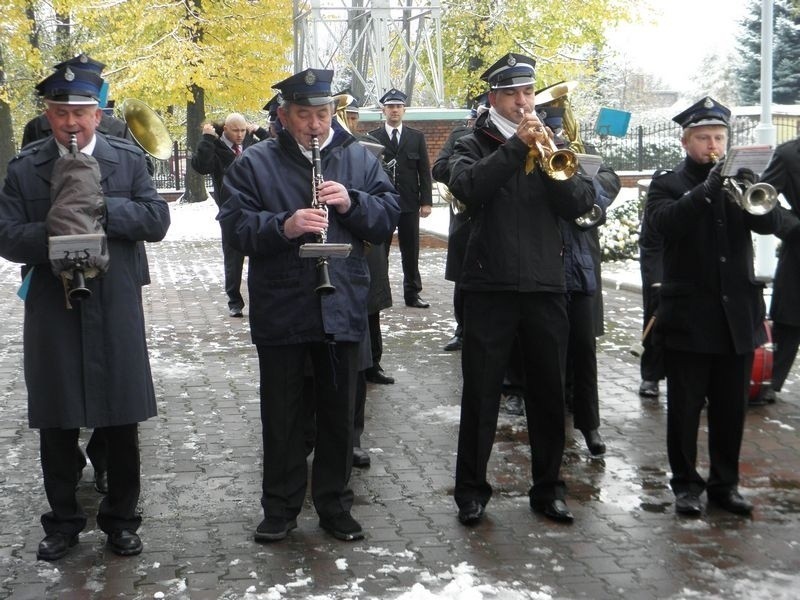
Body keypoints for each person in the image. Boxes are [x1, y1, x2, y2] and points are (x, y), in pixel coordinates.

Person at [217, 68, 400, 542]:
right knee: (282, 414)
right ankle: (280, 507)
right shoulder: (254, 163)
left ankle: (336, 505)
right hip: (283, 305)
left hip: (341, 302)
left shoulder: (357, 158)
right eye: (305, 115)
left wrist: (352, 203)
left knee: (340, 412)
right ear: (284, 116)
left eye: (323, 114)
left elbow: (386, 218)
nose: (316, 125)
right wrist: (285, 225)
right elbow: (235, 227)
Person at [0, 65, 170, 560]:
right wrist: (53, 232)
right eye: (60, 113)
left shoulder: (126, 160)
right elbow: (7, 235)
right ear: (48, 115)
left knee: (120, 413)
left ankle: (121, 518)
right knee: (56, 414)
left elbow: (156, 219)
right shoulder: (26, 166)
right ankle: (63, 521)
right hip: (52, 302)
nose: (70, 123)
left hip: (114, 297)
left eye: (80, 112)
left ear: (98, 114)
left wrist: (99, 207)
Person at [447, 53, 597, 526]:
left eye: (528, 92)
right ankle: (471, 490)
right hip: (488, 286)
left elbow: (579, 205)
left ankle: (548, 489)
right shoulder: (470, 142)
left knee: (550, 395)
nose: (522, 101)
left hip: (545, 285)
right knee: (482, 394)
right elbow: (468, 188)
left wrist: (551, 156)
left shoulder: (554, 142)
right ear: (494, 97)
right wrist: (516, 148)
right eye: (512, 93)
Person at [645, 96, 783, 517]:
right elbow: (664, 225)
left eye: (719, 137)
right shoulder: (667, 183)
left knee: (731, 408)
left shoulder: (739, 182)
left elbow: (769, 223)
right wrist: (706, 192)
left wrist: (754, 192)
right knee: (685, 409)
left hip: (736, 315)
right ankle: (686, 485)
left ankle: (726, 484)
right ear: (686, 141)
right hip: (690, 316)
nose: (712, 145)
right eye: (703, 137)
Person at [535, 98, 621, 457]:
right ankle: (548, 427)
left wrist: (584, 185)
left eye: (559, 128)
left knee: (585, 351)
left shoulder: (584, 153)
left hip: (581, 267)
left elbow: (609, 180)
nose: (557, 134)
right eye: (550, 128)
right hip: (547, 269)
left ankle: (590, 425)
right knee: (546, 354)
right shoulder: (533, 155)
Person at [191, 113, 269, 318]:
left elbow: (278, 148)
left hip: (257, 208)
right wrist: (207, 139)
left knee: (261, 254)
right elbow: (201, 166)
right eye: (236, 130)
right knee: (233, 258)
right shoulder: (216, 147)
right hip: (230, 211)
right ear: (225, 129)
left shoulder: (253, 144)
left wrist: (259, 131)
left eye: (243, 130)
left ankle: (261, 299)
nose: (240, 135)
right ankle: (234, 300)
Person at [369, 89, 433, 309]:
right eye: (390, 107)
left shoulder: (416, 137)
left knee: (410, 250)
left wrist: (426, 201)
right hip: (382, 203)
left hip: (409, 202)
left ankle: (412, 294)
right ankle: (379, 294)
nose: (394, 110)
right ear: (383, 110)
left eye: (398, 107)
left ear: (404, 110)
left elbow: (424, 171)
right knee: (379, 251)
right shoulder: (373, 138)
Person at [757, 140, 800, 402]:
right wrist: (793, 227)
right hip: (798, 252)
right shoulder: (788, 154)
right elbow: (763, 198)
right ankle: (769, 382)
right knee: (789, 322)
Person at [638, 195, 666, 398]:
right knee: (655, 320)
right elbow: (650, 242)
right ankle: (651, 375)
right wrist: (656, 278)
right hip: (661, 267)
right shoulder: (666, 187)